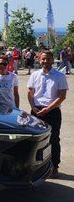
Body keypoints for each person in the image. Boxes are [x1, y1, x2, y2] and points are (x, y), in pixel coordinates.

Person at [28, 50, 68, 178]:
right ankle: (35, 165)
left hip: (53, 111)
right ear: (39, 59)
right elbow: (30, 92)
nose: (45, 61)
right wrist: (33, 107)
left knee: (54, 139)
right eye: (43, 59)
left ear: (52, 60)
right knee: (34, 140)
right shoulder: (35, 75)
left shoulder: (59, 76)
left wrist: (48, 109)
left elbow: (62, 96)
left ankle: (54, 166)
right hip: (36, 111)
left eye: (48, 59)